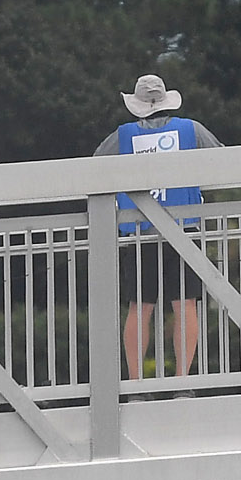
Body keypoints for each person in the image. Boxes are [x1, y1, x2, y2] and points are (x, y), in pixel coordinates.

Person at [93, 74, 226, 379]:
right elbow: (222, 160)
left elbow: (95, 168)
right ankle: (182, 380)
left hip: (138, 232)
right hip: (185, 228)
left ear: (137, 106)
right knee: (185, 305)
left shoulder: (123, 136)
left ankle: (137, 382)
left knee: (139, 307)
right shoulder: (191, 129)